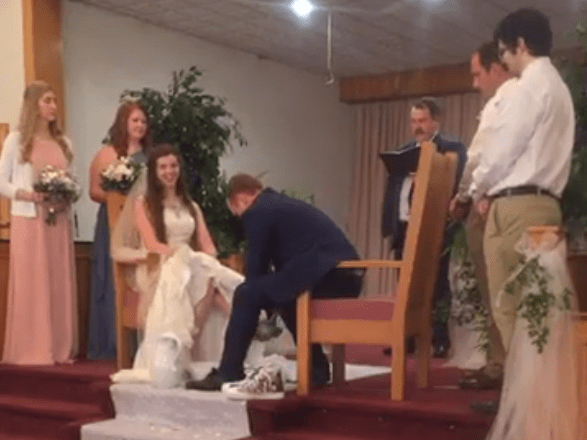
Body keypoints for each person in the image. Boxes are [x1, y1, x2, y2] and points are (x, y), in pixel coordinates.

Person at [470, 8, 576, 422]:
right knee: (541, 318)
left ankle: (523, 410)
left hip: (515, 207)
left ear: (520, 45)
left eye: (504, 51)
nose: (504, 61)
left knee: (511, 312)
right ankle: (539, 407)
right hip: (548, 206)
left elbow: (500, 151)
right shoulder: (560, 89)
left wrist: (478, 187)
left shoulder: (527, 87)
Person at [187, 174, 363, 395]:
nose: (241, 218)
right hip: (344, 276)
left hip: (329, 275)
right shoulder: (277, 204)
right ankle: (316, 369)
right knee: (284, 297)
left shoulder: (258, 211)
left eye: (237, 213)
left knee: (246, 293)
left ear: (239, 200)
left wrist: (259, 310)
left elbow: (256, 267)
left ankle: (229, 371)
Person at [110, 144, 251, 383]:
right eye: (163, 167)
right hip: (158, 264)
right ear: (154, 172)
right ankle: (243, 319)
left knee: (205, 273)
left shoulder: (191, 206)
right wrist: (184, 256)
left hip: (191, 264)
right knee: (202, 276)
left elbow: (207, 245)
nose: (169, 171)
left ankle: (194, 345)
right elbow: (152, 244)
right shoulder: (143, 203)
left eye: (173, 166)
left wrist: (202, 258)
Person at [446, 42, 514, 388]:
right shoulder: (526, 100)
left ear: (495, 69)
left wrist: (462, 197)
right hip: (512, 203)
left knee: (495, 292)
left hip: (492, 206)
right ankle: (499, 363)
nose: (475, 83)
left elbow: (477, 159)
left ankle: (501, 366)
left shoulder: (500, 104)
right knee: (505, 294)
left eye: (477, 74)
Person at [381, 97, 467, 357]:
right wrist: (390, 224)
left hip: (435, 226)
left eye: (422, 121)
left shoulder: (451, 148)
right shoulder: (404, 151)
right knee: (405, 284)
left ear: (435, 121)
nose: (417, 126)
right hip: (404, 224)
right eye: (413, 121)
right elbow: (394, 189)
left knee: (437, 283)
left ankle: (439, 339)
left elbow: (458, 183)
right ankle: (406, 337)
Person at [0, 81, 77, 365]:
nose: (53, 106)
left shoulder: (63, 143)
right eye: (47, 100)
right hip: (30, 218)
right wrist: (25, 194)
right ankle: (32, 348)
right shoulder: (17, 140)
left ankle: (59, 346)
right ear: (33, 105)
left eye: (54, 100)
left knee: (57, 281)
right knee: (33, 282)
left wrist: (67, 194)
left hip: (57, 220)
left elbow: (72, 180)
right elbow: (1, 181)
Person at [87, 100, 152, 360]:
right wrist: (120, 199)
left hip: (142, 225)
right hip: (112, 222)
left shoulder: (151, 157)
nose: (140, 125)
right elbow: (94, 191)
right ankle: (108, 343)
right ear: (123, 122)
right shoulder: (107, 153)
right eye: (135, 120)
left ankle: (138, 344)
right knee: (110, 278)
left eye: (143, 121)